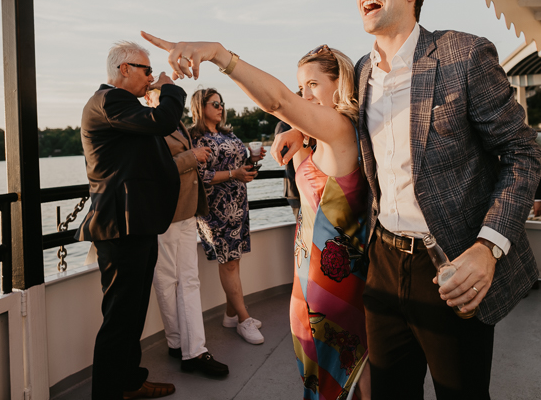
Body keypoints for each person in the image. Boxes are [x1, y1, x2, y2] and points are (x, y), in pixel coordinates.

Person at [273, 0, 541, 399]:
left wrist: (487, 247)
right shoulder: (361, 71)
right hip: (383, 260)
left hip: (452, 260)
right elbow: (345, 121)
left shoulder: (463, 55)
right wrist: (305, 132)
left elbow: (522, 154)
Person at [140, 34, 372, 400]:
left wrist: (218, 54)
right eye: (300, 86)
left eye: (313, 84)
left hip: (335, 285)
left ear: (340, 84)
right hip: (310, 275)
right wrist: (299, 129)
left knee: (343, 377)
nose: (303, 95)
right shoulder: (322, 135)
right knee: (335, 373)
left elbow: (278, 101)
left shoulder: (340, 131)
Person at [75, 41, 183, 400]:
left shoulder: (122, 107)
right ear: (124, 69)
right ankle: (108, 393)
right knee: (120, 319)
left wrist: (156, 93)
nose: (151, 78)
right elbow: (163, 121)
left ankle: (130, 382)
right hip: (120, 226)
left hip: (136, 223)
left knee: (133, 312)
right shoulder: (109, 101)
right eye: (147, 70)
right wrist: (169, 87)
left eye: (153, 73)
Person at [144, 88, 229, 378]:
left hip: (182, 211)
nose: (169, 102)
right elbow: (155, 170)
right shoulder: (149, 124)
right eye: (159, 95)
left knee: (174, 278)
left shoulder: (172, 123)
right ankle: (191, 351)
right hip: (168, 213)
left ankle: (180, 343)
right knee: (175, 279)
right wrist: (192, 156)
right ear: (148, 99)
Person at [187, 88, 265, 345]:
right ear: (201, 107)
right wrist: (235, 175)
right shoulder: (196, 139)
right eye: (215, 103)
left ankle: (230, 315)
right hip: (215, 210)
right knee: (229, 262)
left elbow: (240, 166)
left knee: (235, 259)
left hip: (238, 203)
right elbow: (202, 177)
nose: (220, 107)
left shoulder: (227, 134)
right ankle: (243, 319)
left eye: (221, 103)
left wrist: (252, 160)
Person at [274, 120, 301, 221]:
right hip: (293, 186)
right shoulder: (283, 125)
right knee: (301, 222)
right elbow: (280, 154)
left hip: (312, 183)